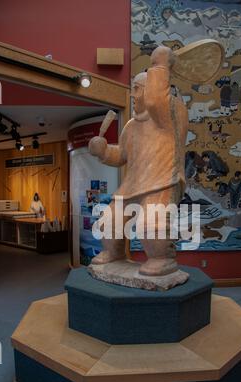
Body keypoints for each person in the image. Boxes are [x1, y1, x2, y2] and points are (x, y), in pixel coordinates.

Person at [88, 46, 188, 276]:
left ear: (152, 87)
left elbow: (155, 102)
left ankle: (162, 259)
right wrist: (103, 151)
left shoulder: (174, 112)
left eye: (137, 89)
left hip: (163, 182)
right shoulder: (131, 126)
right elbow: (122, 155)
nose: (133, 95)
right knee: (109, 221)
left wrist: (161, 64)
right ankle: (114, 253)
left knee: (151, 225)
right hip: (132, 185)